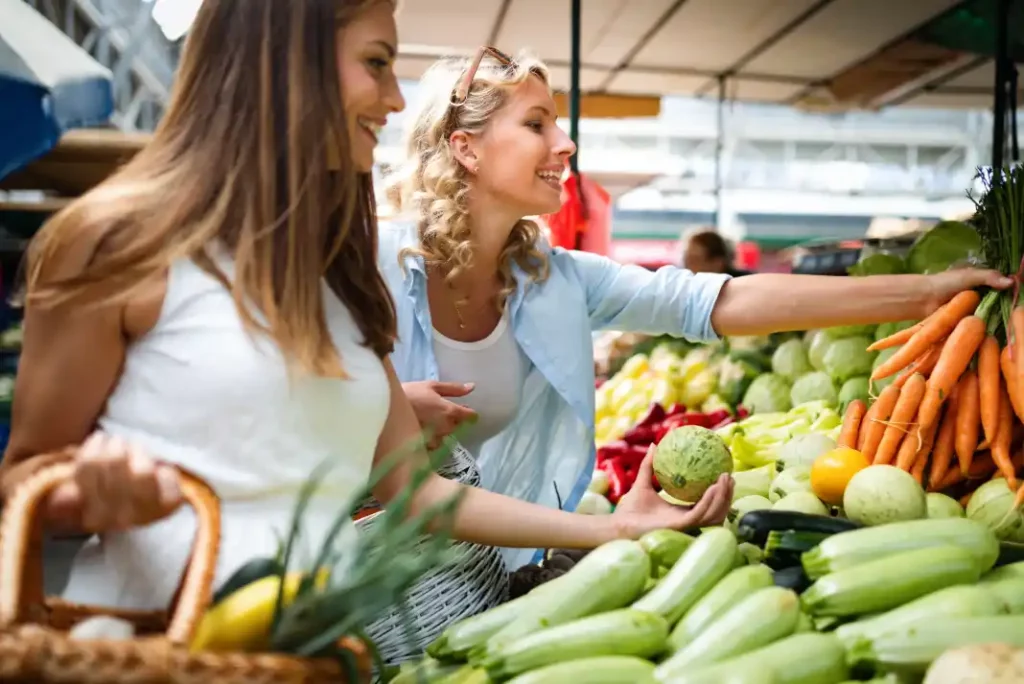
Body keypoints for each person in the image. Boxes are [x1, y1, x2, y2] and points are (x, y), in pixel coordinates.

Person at [0, 0, 736, 612]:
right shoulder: (116, 242)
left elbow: (416, 493)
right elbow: (20, 485)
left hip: (320, 652)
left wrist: (611, 531)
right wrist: (86, 498)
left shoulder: (337, 261)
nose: (393, 98)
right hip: (146, 651)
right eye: (378, 63)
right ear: (283, 57)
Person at [379, 47, 1011, 570]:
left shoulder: (553, 280)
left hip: (471, 579)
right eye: (538, 124)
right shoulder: (372, 266)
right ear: (466, 148)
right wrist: (373, 406)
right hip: (349, 588)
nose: (567, 144)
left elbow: (725, 298)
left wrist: (930, 291)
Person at [680, 228, 751, 276]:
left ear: (717, 263)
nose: (687, 267)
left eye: (695, 260)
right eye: (686, 260)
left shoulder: (742, 287)